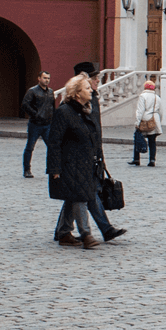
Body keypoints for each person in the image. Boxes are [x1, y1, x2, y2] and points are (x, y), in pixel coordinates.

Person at [47, 74, 126, 248]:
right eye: (87, 88)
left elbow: (92, 138)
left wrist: (99, 160)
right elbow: (54, 142)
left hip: (86, 164)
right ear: (76, 94)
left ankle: (63, 232)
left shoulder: (84, 111)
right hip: (70, 165)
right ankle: (86, 234)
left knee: (74, 197)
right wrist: (54, 168)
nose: (91, 90)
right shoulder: (64, 112)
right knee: (81, 197)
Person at [20, 71, 55, 178]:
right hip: (35, 125)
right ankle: (27, 170)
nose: (46, 80)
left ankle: (52, 169)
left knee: (52, 147)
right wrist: (36, 115)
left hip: (47, 125)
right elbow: (25, 105)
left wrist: (54, 119)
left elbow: (53, 106)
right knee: (30, 147)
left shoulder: (50, 92)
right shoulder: (32, 91)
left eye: (48, 78)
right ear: (39, 78)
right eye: (44, 78)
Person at [130, 81, 163, 167]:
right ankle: (152, 160)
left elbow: (140, 111)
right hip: (154, 120)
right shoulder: (157, 97)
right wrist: (159, 121)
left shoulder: (142, 96)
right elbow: (161, 111)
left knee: (137, 138)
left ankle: (136, 159)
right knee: (152, 141)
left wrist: (137, 122)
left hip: (144, 120)